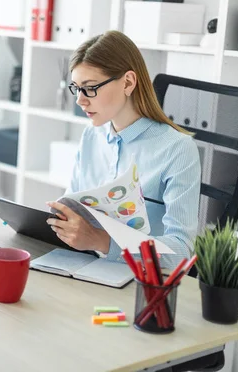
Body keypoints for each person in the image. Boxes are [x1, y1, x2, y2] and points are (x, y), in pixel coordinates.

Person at [45, 30, 201, 270]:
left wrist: (102, 241)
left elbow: (181, 252)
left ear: (128, 82)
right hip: (86, 267)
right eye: (76, 88)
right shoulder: (91, 136)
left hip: (142, 281)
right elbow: (72, 207)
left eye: (90, 87)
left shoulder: (178, 150)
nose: (80, 100)